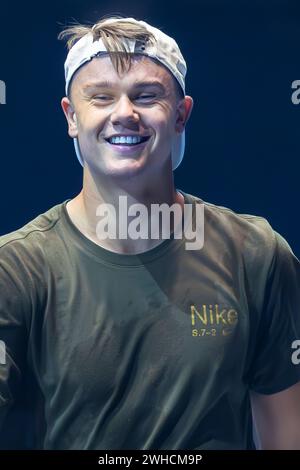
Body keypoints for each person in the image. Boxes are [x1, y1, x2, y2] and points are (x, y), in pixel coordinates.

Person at [0, 15, 300, 450]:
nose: (125, 113)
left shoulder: (256, 255)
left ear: (181, 115)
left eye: (146, 96)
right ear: (70, 116)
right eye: (101, 97)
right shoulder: (15, 271)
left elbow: (287, 435)